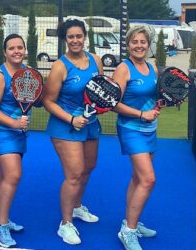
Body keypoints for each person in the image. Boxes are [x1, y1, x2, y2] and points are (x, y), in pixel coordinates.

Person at [42, 18, 103, 245]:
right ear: (65, 39)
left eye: (79, 36)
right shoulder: (60, 66)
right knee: (74, 173)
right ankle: (65, 224)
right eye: (71, 37)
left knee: (88, 169)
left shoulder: (96, 60)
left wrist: (100, 108)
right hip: (65, 126)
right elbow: (48, 101)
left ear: (84, 37)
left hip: (91, 124)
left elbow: (99, 91)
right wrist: (72, 118)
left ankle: (77, 207)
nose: (75, 40)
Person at [112, 25, 159, 250]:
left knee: (139, 178)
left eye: (143, 42)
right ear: (128, 45)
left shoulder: (152, 68)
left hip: (151, 129)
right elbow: (112, 103)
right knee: (149, 179)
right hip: (131, 129)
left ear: (148, 45)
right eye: (134, 42)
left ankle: (131, 221)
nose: (139, 45)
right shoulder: (123, 68)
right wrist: (141, 114)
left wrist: (161, 105)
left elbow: (155, 99)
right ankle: (128, 231)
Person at [0, 33, 30, 248]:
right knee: (14, 175)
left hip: (19, 131)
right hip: (3, 131)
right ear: (5, 52)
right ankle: (0, 226)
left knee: (5, 177)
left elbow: (33, 101)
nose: (16, 51)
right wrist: (13, 123)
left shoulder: (26, 74)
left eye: (20, 47)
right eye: (11, 48)